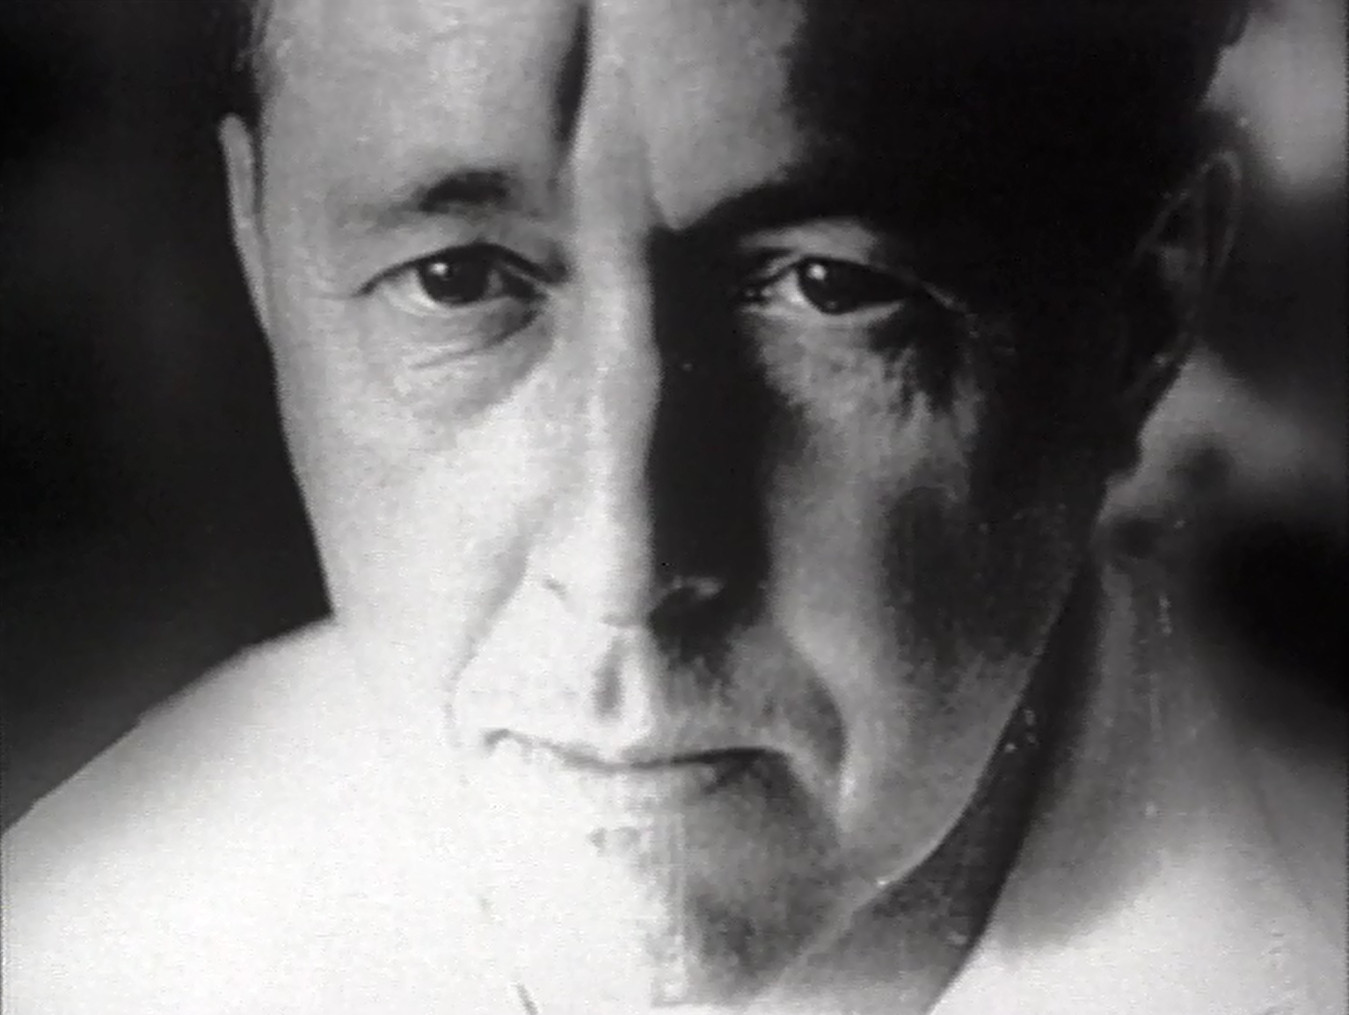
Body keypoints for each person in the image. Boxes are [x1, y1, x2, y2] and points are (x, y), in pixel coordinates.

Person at [2, 0, 1343, 1012]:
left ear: (1142, 315)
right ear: (260, 258)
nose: (621, 564)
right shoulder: (81, 950)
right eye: (458, 280)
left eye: (832, 290)